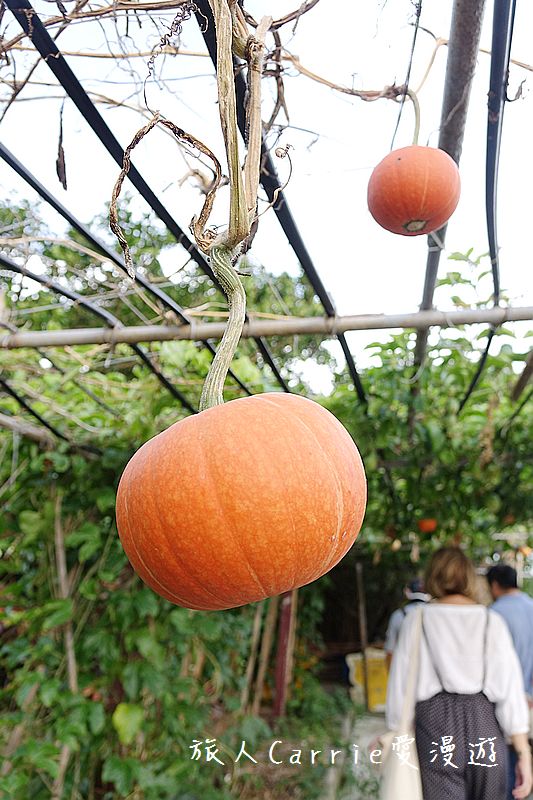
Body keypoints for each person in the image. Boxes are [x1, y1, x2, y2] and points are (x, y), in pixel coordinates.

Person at [386, 547, 532, 800]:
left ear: (432, 576)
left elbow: (400, 689)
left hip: (434, 724)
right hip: (484, 723)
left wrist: (395, 731)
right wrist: (523, 753)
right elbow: (509, 690)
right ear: (469, 577)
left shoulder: (416, 620)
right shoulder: (491, 621)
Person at [487, 563, 533, 800]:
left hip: (505, 707)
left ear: (494, 585)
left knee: (507, 768)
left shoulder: (493, 615)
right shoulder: (532, 607)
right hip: (530, 701)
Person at [384, 577, 430, 670]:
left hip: (405, 670)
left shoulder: (398, 615)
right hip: (429, 671)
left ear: (407, 592)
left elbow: (390, 651)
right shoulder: (435, 613)